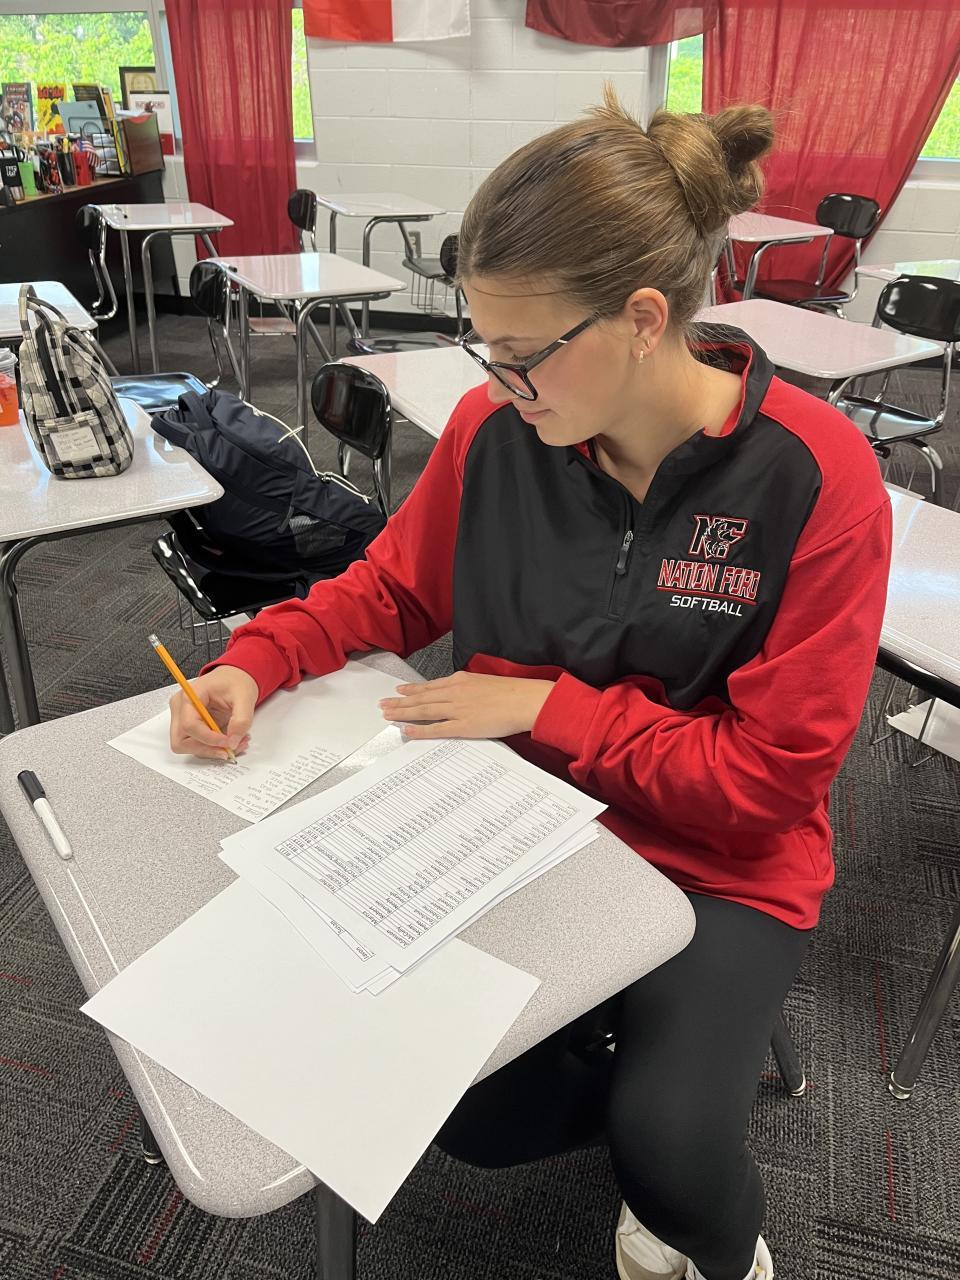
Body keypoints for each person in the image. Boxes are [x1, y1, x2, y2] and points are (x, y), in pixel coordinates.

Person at [168, 89, 891, 1280]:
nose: (498, 382)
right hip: (512, 824)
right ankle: (647, 1068)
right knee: (465, 1108)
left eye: (520, 355)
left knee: (672, 1147)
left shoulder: (816, 476)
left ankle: (708, 1212)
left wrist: (548, 706)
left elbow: (770, 782)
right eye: (485, 351)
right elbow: (390, 590)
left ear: (644, 318)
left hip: (719, 863)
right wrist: (254, 659)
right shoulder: (497, 429)